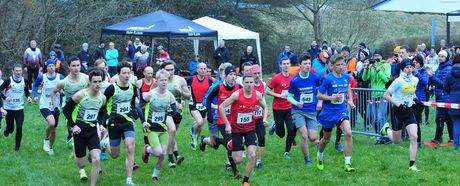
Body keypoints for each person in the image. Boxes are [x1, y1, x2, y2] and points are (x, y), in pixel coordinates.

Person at [219, 73, 268, 186]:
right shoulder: (237, 95)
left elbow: (265, 107)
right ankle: (231, 143)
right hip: (236, 130)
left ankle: (245, 182)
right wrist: (227, 124)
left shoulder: (257, 95)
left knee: (251, 155)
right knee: (238, 160)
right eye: (247, 82)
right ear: (243, 83)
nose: (249, 85)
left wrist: (264, 119)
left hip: (250, 129)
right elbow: (221, 107)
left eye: (251, 82)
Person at [62, 68, 106, 185]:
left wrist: (101, 124)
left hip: (92, 131)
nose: (97, 84)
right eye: (95, 82)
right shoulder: (80, 95)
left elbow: (102, 113)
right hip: (79, 131)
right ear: (89, 82)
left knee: (96, 159)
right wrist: (73, 125)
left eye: (99, 81)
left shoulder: (102, 98)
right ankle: (81, 168)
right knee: (82, 162)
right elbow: (66, 110)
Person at [99, 62, 137, 185]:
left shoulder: (133, 87)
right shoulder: (111, 88)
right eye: (124, 73)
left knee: (130, 147)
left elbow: (131, 103)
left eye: (128, 73)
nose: (127, 75)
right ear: (118, 74)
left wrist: (134, 111)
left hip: (127, 121)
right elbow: (102, 106)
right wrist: (105, 119)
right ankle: (105, 143)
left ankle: (129, 179)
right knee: (115, 154)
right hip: (114, 123)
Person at [316, 55, 356, 172]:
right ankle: (319, 154)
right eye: (338, 65)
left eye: (342, 64)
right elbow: (319, 95)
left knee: (348, 133)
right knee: (326, 139)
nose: (340, 67)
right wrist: (331, 97)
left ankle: (347, 164)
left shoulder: (346, 77)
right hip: (328, 112)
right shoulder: (327, 79)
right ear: (332, 66)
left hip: (341, 110)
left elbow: (347, 86)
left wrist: (350, 100)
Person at [380, 59, 420, 172]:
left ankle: (412, 165)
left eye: (410, 67)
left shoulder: (415, 79)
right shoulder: (398, 81)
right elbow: (386, 95)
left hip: (409, 111)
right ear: (402, 68)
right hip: (398, 111)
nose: (409, 69)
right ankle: (386, 129)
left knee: (414, 137)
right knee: (397, 141)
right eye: (406, 67)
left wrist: (415, 98)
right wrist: (398, 105)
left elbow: (412, 92)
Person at [140, 69, 177, 182]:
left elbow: (173, 110)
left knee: (162, 154)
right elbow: (138, 107)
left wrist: (174, 110)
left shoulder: (170, 96)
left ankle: (154, 176)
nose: (164, 82)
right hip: (151, 129)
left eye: (166, 80)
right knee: (158, 152)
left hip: (163, 129)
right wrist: (143, 121)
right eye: (161, 80)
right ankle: (148, 149)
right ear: (157, 81)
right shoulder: (151, 94)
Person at [205, 66, 241, 178]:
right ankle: (235, 172)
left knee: (229, 144)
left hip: (235, 119)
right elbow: (208, 99)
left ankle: (218, 141)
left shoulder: (239, 87)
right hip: (221, 119)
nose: (233, 77)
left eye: (234, 75)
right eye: (230, 74)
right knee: (231, 144)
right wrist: (210, 113)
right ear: (225, 75)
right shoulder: (218, 87)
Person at [287, 54, 320, 166]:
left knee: (313, 137)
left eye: (309, 63)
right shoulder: (295, 80)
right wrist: (296, 103)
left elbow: (321, 89)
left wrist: (320, 101)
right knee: (304, 135)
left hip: (311, 111)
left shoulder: (315, 77)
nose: (307, 65)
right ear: (300, 65)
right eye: (305, 63)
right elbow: (289, 96)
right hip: (298, 110)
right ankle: (307, 159)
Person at [52, 56, 89, 150]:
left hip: (85, 108)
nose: (76, 68)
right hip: (70, 110)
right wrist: (55, 107)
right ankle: (70, 138)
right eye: (73, 66)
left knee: (84, 129)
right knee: (73, 130)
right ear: (69, 67)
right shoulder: (64, 82)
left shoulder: (86, 78)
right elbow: (53, 92)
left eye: (78, 65)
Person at [161, 60, 190, 167]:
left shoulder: (180, 80)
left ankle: (175, 155)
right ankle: (171, 158)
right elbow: (152, 94)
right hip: (165, 111)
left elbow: (188, 96)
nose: (170, 72)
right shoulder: (160, 80)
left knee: (172, 134)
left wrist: (180, 93)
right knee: (171, 131)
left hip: (177, 111)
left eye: (172, 69)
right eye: (167, 70)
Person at [33, 60, 65, 155]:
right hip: (45, 104)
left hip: (55, 105)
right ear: (46, 67)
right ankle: (46, 140)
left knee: (54, 130)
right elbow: (35, 86)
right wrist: (35, 95)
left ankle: (50, 148)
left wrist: (63, 92)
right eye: (50, 66)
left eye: (53, 66)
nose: (51, 67)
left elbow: (65, 88)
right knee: (51, 123)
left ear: (55, 67)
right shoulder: (41, 77)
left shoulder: (60, 77)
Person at [267, 57, 295, 159]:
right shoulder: (276, 78)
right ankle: (275, 126)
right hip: (278, 108)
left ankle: (287, 152)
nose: (286, 65)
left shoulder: (293, 77)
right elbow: (267, 91)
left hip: (289, 108)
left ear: (290, 65)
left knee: (291, 130)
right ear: (281, 65)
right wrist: (279, 95)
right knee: (281, 134)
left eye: (288, 63)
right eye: (284, 64)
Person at [0, 64, 32, 151]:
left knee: (19, 127)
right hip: (9, 109)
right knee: (11, 129)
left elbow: (26, 91)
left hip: (19, 109)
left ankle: (17, 147)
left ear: (22, 71)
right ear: (13, 71)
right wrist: (5, 97)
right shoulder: (8, 81)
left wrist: (28, 96)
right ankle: (7, 129)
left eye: (20, 70)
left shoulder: (24, 80)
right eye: (16, 71)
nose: (18, 72)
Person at [425, 50, 453, 147]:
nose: (440, 58)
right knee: (448, 119)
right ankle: (452, 139)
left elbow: (443, 84)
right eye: (439, 56)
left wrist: (432, 76)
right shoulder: (440, 67)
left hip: (444, 97)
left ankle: (437, 140)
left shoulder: (448, 68)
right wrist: (430, 80)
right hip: (440, 96)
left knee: (439, 118)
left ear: (446, 58)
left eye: (442, 56)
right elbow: (436, 81)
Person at [361, 49, 391, 139]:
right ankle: (378, 134)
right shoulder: (370, 66)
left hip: (382, 94)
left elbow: (386, 79)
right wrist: (366, 68)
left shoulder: (386, 65)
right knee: (372, 117)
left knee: (380, 117)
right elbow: (364, 78)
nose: (376, 57)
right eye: (375, 56)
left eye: (378, 55)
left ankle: (382, 136)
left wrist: (377, 68)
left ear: (381, 56)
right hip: (373, 95)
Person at [188, 63, 213, 151]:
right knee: (199, 121)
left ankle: (194, 140)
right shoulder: (191, 79)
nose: (203, 70)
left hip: (205, 105)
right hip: (194, 104)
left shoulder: (209, 80)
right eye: (201, 69)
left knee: (201, 124)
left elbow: (212, 93)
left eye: (204, 69)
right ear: (197, 70)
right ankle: (192, 132)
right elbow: (184, 89)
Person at [249, 66, 268, 168]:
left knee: (261, 137)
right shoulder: (248, 86)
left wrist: (265, 114)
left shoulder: (263, 84)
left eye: (258, 73)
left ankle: (259, 161)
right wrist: (251, 108)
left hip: (259, 117)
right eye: (255, 73)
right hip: (248, 118)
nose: (257, 76)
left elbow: (263, 100)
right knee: (249, 140)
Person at [136, 66, 156, 146]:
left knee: (153, 126)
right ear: (144, 73)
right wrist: (136, 100)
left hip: (153, 107)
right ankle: (147, 146)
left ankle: (153, 144)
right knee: (146, 127)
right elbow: (134, 93)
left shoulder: (155, 82)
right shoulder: (140, 82)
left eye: (151, 73)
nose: (150, 75)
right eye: (148, 73)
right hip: (143, 108)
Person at [412, 55, 429, 147]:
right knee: (411, 121)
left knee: (416, 121)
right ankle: (413, 139)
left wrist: (417, 73)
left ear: (420, 63)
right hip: (410, 98)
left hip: (420, 99)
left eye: (416, 63)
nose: (414, 65)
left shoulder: (423, 71)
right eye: (413, 63)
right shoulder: (409, 72)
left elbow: (425, 82)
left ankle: (418, 142)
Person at [444, 54, 460, 151]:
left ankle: (456, 147)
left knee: (456, 124)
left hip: (453, 100)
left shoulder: (449, 74)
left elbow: (445, 88)